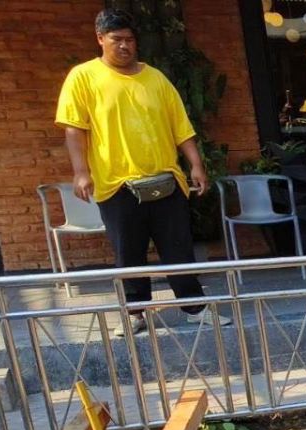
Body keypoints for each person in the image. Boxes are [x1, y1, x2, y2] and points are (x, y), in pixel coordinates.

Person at [56, 9, 229, 336]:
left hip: (166, 180)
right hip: (117, 184)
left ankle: (195, 308)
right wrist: (80, 171)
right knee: (128, 252)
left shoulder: (156, 78)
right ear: (100, 39)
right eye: (117, 39)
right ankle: (134, 313)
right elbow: (74, 129)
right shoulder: (83, 77)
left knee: (178, 248)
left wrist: (196, 164)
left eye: (130, 40)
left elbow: (181, 128)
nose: (125, 46)